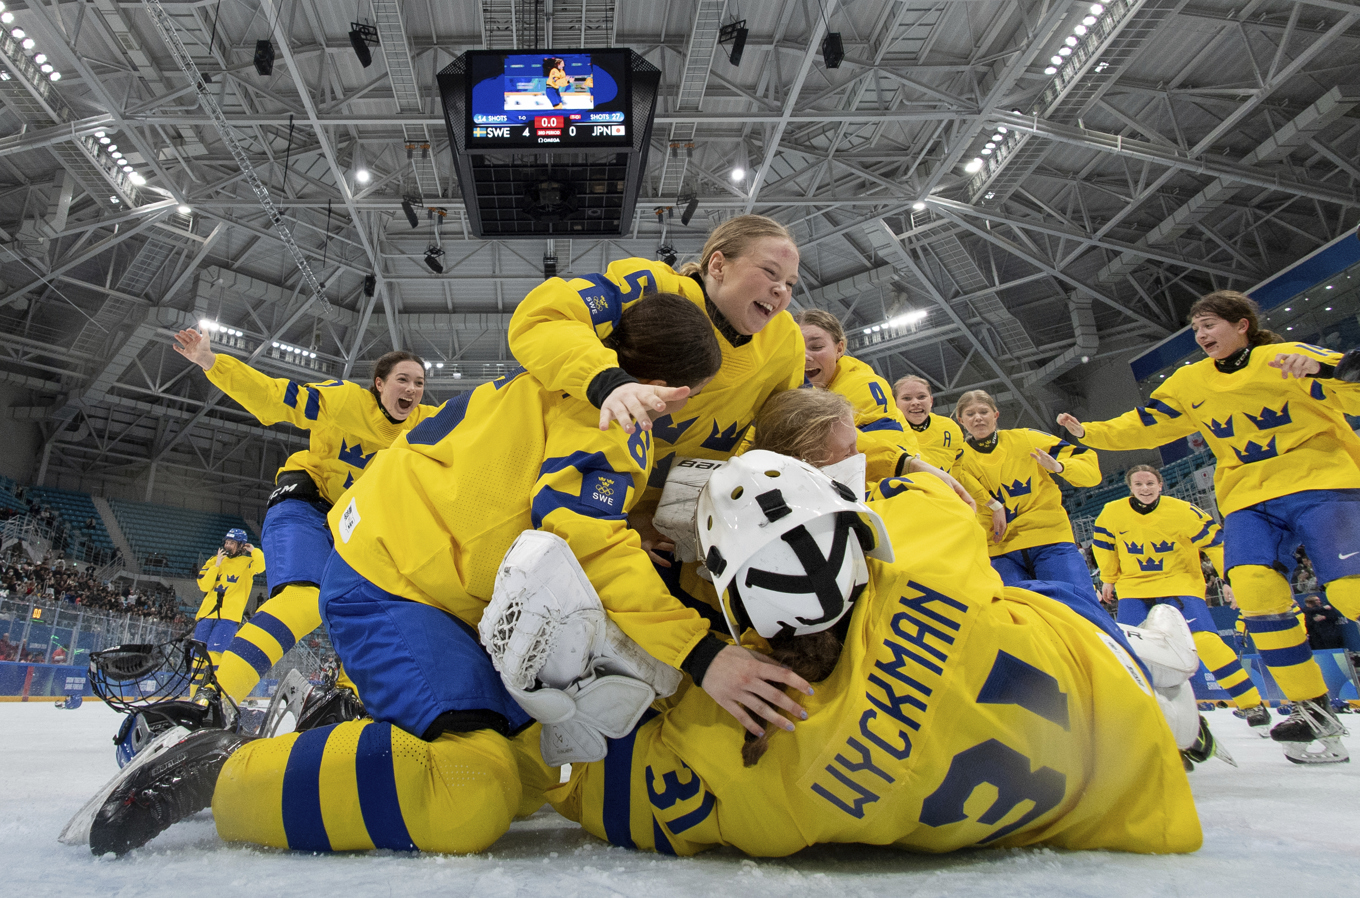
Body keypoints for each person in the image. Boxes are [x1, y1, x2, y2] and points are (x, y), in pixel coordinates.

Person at [82, 293, 817, 857]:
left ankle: (353, 732)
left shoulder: (556, 376)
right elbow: (586, 538)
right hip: (390, 587)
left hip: (423, 584)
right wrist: (703, 654)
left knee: (541, 762)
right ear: (677, 391)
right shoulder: (615, 431)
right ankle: (229, 769)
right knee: (472, 790)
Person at [1056, 290, 1357, 762]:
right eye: (1196, 328)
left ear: (1242, 325)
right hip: (1247, 497)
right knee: (1257, 596)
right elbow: (1148, 423)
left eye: (1210, 324)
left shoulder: (1285, 357)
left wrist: (1332, 370)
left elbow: (1352, 386)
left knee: (1349, 592)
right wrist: (1088, 433)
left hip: (1321, 482)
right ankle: (1314, 712)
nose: (1201, 335)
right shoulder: (1188, 381)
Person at [172, 327, 436, 705]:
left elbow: (490, 417)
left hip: (354, 529)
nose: (411, 389)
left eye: (419, 383)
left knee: (370, 615)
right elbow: (276, 398)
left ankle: (348, 702)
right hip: (303, 504)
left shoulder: (427, 424)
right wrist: (211, 362)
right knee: (302, 600)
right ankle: (212, 700)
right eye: (403, 380)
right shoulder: (345, 400)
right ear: (379, 384)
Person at [1092, 464, 1268, 727]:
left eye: (1150, 483)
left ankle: (1252, 705)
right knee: (1127, 652)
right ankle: (1141, 715)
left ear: (1160, 485)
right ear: (1130, 488)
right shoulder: (1111, 512)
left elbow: (1216, 543)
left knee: (1206, 643)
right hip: (1134, 590)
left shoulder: (1183, 511)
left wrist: (1228, 577)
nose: (1145, 489)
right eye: (1138, 484)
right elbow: (1104, 545)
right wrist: (1108, 578)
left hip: (1180, 586)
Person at [952, 389, 1101, 595]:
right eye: (970, 414)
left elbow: (1089, 467)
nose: (978, 418)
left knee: (1079, 608)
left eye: (983, 412)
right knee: (1016, 617)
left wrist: (1060, 467)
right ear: (961, 420)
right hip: (998, 550)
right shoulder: (956, 458)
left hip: (1049, 540)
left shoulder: (1026, 439)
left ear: (995, 415)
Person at [793, 310, 919, 481]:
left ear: (840, 348)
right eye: (796, 348)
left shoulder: (864, 386)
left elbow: (883, 463)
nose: (805, 356)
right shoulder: (789, 388)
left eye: (816, 347)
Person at [192, 529, 266, 686]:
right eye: (226, 542)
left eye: (232, 543)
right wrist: (216, 566)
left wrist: (254, 550)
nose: (227, 546)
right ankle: (193, 696)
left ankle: (210, 692)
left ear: (240, 545)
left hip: (229, 617)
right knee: (197, 656)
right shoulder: (214, 560)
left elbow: (261, 566)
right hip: (207, 614)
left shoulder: (247, 563)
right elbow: (204, 586)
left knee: (214, 654)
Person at [894, 374, 967, 472]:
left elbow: (959, 469)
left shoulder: (951, 428)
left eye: (921, 397)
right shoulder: (887, 432)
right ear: (895, 403)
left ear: (931, 401)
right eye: (907, 398)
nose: (915, 402)